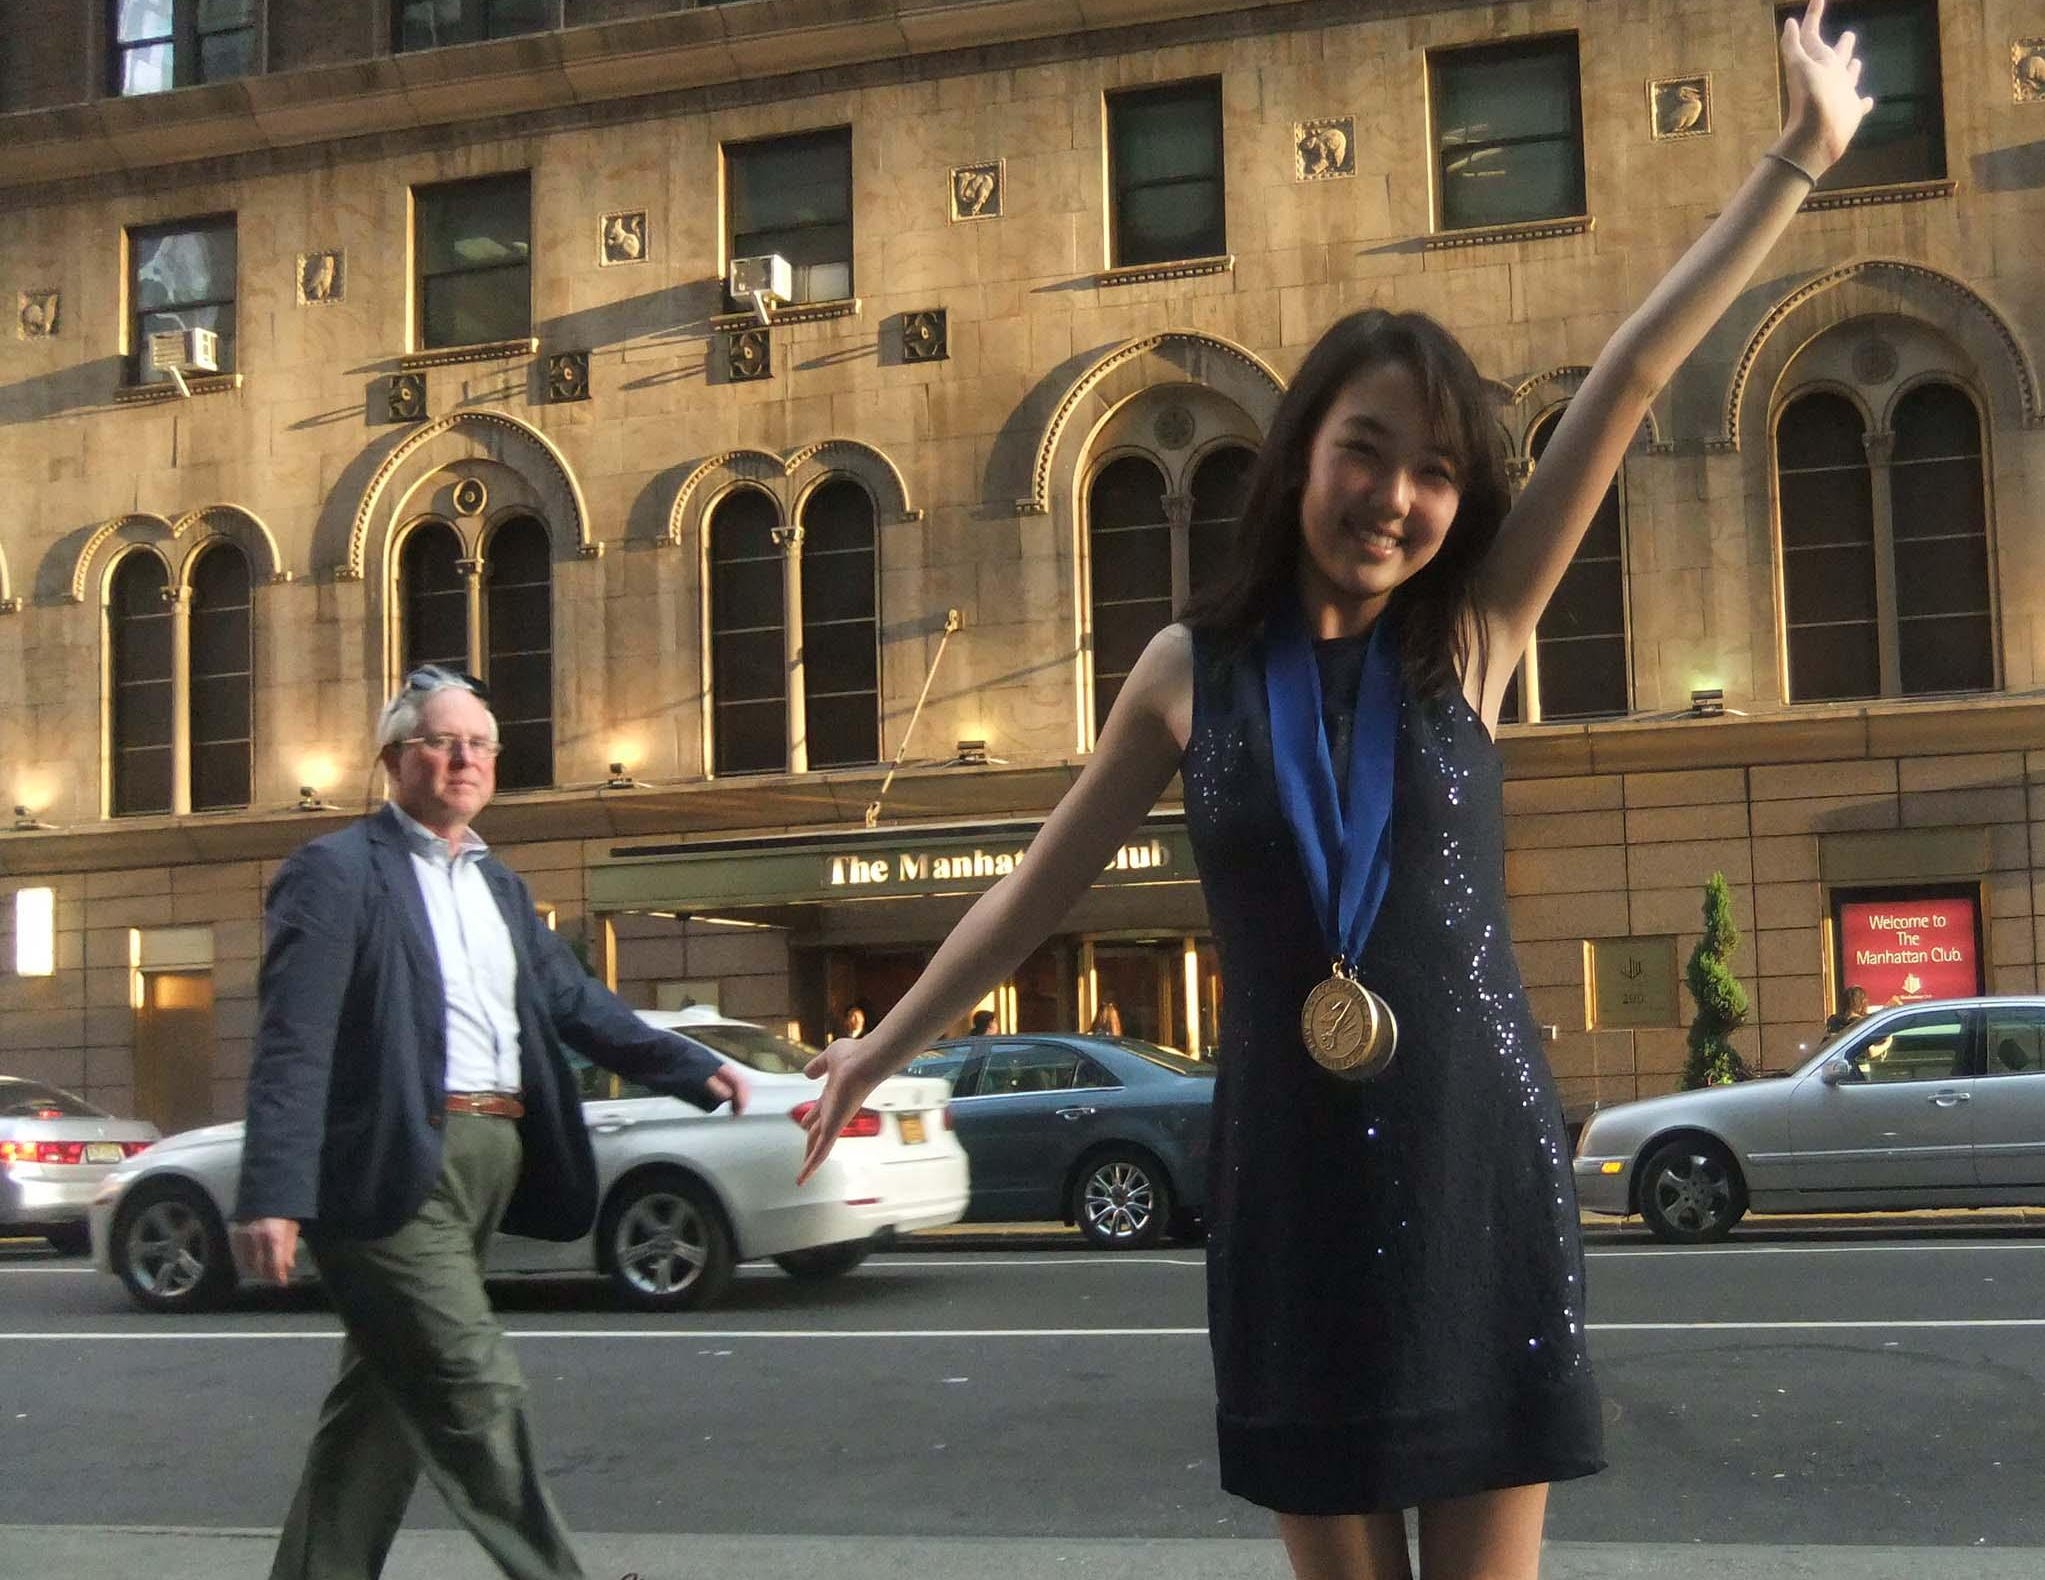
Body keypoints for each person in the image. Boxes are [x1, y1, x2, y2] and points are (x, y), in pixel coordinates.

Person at [792, 11, 1870, 1575]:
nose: (1397, 498)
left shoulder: (1476, 638)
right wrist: (875, 1051)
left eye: (1436, 472)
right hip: (1289, 1178)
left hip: (1472, 1163)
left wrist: (1799, 159)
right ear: (1300, 454)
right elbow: (1035, 894)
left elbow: (1633, 374)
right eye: (1367, 451)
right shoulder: (1187, 671)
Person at [233, 667, 745, 1580]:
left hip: (488, 1156)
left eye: (480, 744)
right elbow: (294, 1037)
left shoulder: (498, 885)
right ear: (394, 759)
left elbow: (572, 1001)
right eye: (441, 741)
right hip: (391, 1160)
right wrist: (273, 1190)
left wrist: (693, 1066)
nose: (464, 758)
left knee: (384, 1406)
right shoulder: (336, 871)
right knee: (473, 1385)